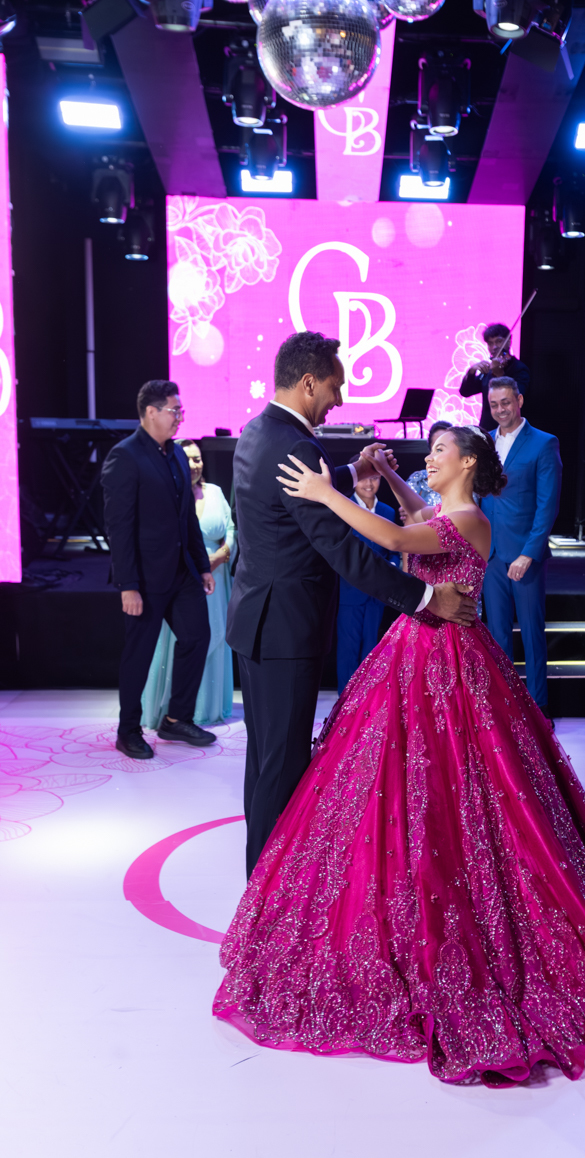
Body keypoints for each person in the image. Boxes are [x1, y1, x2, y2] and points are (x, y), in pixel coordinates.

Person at [213, 424, 585, 1088]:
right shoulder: (447, 513)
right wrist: (388, 478)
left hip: (448, 662)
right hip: (412, 654)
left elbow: (397, 539)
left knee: (460, 789)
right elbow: (414, 517)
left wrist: (325, 493)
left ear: (466, 463)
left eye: (438, 451)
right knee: (398, 783)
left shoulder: (470, 522)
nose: (428, 458)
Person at [226, 331, 478, 877]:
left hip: (256, 621)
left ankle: (259, 887)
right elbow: (343, 550)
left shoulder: (257, 431)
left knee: (264, 762)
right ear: (308, 382)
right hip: (286, 628)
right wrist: (426, 598)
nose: (338, 401)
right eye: (335, 387)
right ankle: (267, 897)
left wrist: (349, 474)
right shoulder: (298, 447)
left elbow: (284, 498)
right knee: (281, 770)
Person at [101, 381, 217, 761]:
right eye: (174, 411)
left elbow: (186, 518)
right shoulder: (125, 456)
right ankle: (128, 730)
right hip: (145, 578)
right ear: (151, 412)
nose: (179, 417)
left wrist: (201, 565)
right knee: (139, 654)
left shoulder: (178, 454)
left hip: (182, 571)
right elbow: (119, 527)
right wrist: (128, 585)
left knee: (197, 637)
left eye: (180, 411)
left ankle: (176, 719)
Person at [480, 377, 562, 724]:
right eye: (494, 404)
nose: (500, 410)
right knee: (496, 635)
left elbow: (548, 505)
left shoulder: (543, 443)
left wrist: (529, 553)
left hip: (524, 554)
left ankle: (539, 707)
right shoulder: (484, 442)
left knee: (531, 632)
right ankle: (505, 709)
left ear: (519, 401)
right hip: (490, 553)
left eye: (505, 402)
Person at [141, 440, 236, 728]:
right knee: (180, 642)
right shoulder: (166, 492)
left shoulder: (215, 492)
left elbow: (231, 529)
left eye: (198, 459)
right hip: (181, 578)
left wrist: (222, 554)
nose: (195, 465)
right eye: (189, 459)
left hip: (215, 577)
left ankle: (209, 707)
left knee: (214, 635)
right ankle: (176, 712)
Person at [336, 459, 400, 694]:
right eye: (363, 478)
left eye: (374, 478)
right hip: (350, 591)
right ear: (354, 479)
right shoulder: (343, 507)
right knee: (348, 651)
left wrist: (391, 566)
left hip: (377, 593)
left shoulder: (387, 512)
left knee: (372, 650)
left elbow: (393, 550)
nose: (369, 483)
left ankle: (368, 704)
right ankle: (345, 705)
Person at [459, 322, 531, 431]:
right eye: (490, 343)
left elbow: (515, 398)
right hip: (487, 430)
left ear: (509, 340)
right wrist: (471, 372)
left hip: (510, 430)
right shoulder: (489, 370)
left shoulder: (519, 369)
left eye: (499, 341)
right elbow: (465, 392)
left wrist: (500, 374)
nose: (494, 347)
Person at [404, 420, 452, 509]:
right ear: (430, 451)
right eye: (437, 449)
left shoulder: (464, 480)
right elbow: (407, 512)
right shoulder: (418, 480)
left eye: (443, 448)